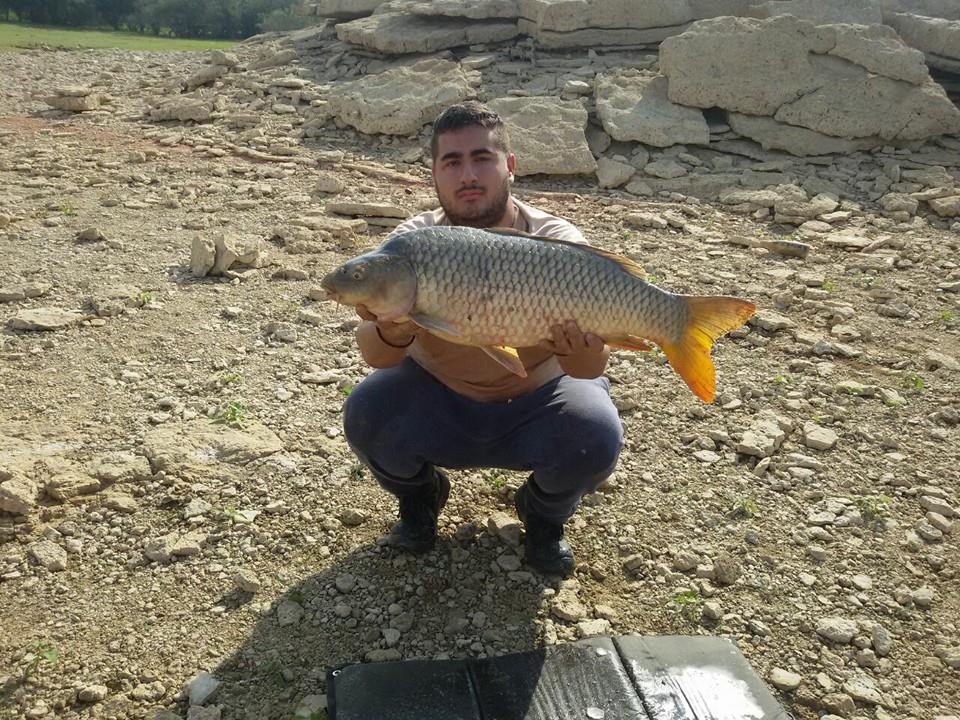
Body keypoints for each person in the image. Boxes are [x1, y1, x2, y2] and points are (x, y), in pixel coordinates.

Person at [341, 102, 623, 577]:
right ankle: (420, 497)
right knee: (367, 412)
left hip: (538, 401)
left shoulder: (555, 239)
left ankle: (543, 514)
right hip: (441, 399)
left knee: (595, 434)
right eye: (452, 162)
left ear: (509, 165)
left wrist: (583, 350)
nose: (468, 175)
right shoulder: (414, 243)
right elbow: (375, 355)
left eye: (482, 159)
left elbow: (591, 368)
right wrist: (392, 327)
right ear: (435, 173)